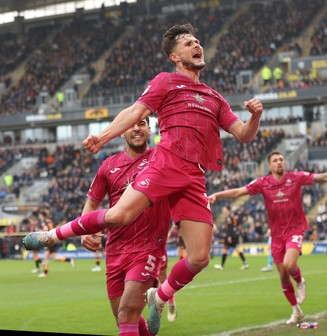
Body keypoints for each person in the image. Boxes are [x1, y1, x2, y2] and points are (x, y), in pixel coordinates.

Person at [22, 23, 263, 335]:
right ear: (176, 56)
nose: (196, 45)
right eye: (189, 43)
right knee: (119, 215)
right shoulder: (166, 82)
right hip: (166, 164)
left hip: (193, 177)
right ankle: (53, 235)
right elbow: (135, 112)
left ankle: (160, 297)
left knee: (201, 257)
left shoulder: (215, 97)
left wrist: (254, 117)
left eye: (197, 41)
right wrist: (104, 136)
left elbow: (243, 135)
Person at [208, 151, 327, 325]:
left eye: (281, 160)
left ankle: (301, 282)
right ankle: (296, 311)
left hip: (295, 230)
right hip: (276, 235)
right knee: (283, 276)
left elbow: (322, 178)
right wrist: (217, 195)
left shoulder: (296, 177)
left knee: (289, 265)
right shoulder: (262, 183)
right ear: (269, 166)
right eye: (275, 161)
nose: (279, 163)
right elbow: (238, 192)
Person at [80, 117, 171, 336]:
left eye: (141, 124)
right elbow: (92, 202)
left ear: (149, 129)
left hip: (147, 248)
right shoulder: (108, 166)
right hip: (115, 249)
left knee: (126, 312)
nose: (136, 128)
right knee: (123, 318)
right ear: (122, 132)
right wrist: (86, 229)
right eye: (131, 125)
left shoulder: (162, 159)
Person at [214, 205, 249, 271]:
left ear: (227, 210)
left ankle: (222, 266)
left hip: (230, 235)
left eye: (224, 209)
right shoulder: (232, 216)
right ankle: (245, 263)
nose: (223, 210)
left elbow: (230, 227)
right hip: (233, 234)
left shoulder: (229, 217)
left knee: (226, 249)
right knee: (235, 248)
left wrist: (229, 236)